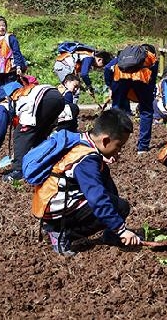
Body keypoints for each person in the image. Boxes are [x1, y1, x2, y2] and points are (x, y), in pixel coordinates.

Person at [31, 109, 140, 256]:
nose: (119, 151)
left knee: (107, 183)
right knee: (118, 206)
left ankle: (111, 232)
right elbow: (97, 199)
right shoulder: (87, 160)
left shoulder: (82, 140)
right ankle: (63, 233)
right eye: (119, 146)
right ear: (106, 141)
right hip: (55, 205)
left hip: (51, 199)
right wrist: (121, 229)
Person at [3, 83, 66, 182]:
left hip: (46, 99)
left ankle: (18, 172)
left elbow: (23, 124)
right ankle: (43, 163)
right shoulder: (28, 89)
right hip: (58, 98)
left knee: (20, 135)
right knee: (39, 135)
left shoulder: (19, 96)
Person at [104, 44, 158, 156]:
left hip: (120, 78)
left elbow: (107, 68)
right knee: (146, 112)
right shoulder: (151, 57)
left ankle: (111, 143)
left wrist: (110, 85)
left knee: (116, 110)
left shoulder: (124, 55)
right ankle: (142, 148)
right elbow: (152, 80)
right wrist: (147, 97)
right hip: (142, 79)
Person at [0, 16, 27, 110]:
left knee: (8, 92)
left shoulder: (11, 38)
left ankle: (9, 111)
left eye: (4, 25)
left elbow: (17, 52)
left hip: (10, 71)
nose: (2, 28)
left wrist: (18, 67)